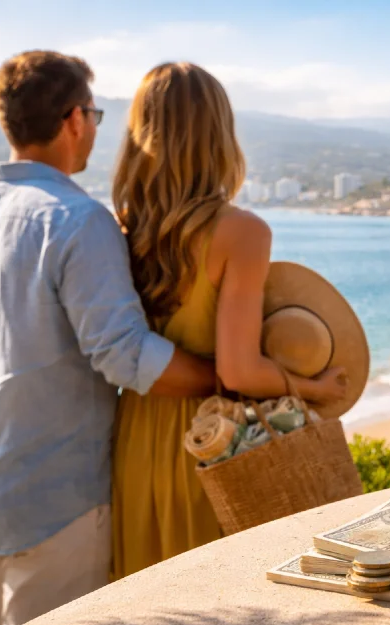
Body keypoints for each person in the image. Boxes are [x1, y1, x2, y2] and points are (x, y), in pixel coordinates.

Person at [0, 51, 217, 625]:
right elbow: (125, 356)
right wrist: (225, 375)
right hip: (59, 503)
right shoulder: (79, 221)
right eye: (94, 114)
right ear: (73, 118)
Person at [110, 63, 347, 579]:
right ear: (219, 134)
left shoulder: (118, 228)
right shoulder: (241, 233)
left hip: (132, 439)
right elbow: (239, 372)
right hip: (213, 439)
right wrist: (313, 386)